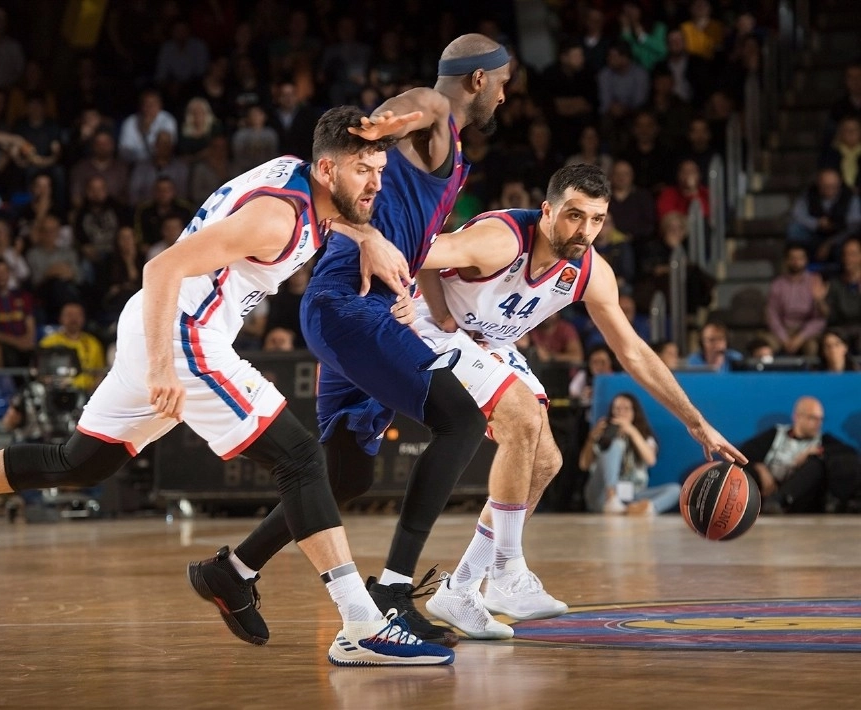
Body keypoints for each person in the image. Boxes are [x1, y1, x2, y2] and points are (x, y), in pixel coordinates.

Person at [0, 106, 455, 667]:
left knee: (79, 463)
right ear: (328, 169)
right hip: (180, 333)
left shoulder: (298, 176)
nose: (376, 183)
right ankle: (360, 625)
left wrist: (367, 237)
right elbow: (162, 266)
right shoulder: (278, 219)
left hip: (156, 324)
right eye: (363, 170)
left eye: (379, 170)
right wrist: (163, 370)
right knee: (301, 458)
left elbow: (333, 212)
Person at [193, 34, 512, 648]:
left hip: (365, 310)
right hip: (347, 307)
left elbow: (405, 234)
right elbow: (426, 102)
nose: (506, 91)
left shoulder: (431, 156)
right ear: (477, 80)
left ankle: (231, 572)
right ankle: (391, 594)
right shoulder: (435, 122)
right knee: (464, 423)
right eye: (503, 79)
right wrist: (406, 112)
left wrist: (427, 299)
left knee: (347, 476)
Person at [405, 165, 743, 639]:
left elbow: (634, 352)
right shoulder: (501, 241)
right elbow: (417, 247)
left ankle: (460, 591)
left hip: (490, 341)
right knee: (523, 416)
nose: (584, 231)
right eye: (573, 216)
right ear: (547, 211)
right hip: (430, 328)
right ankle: (506, 569)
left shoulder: (589, 270)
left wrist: (696, 423)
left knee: (546, 460)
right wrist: (440, 312)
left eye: (597, 220)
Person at [741, 396, 861, 514]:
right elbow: (743, 454)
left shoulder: (823, 441)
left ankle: (780, 501)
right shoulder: (776, 434)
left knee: (817, 462)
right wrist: (759, 468)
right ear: (797, 417)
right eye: (812, 418)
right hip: (768, 489)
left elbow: (850, 453)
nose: (818, 423)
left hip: (801, 497)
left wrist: (815, 453)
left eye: (820, 419)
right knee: (745, 469)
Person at [581, 393, 678, 515]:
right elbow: (584, 465)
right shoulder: (602, 434)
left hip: (632, 495)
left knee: (675, 490)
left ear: (634, 412)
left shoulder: (644, 436)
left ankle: (647, 509)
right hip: (602, 494)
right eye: (616, 409)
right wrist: (591, 439)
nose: (621, 412)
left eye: (626, 409)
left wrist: (631, 431)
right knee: (616, 444)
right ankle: (612, 499)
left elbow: (650, 460)